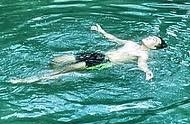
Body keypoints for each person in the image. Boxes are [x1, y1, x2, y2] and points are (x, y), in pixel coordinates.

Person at [10, 23, 167, 83]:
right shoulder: (131, 43)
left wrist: (147, 72)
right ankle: (51, 73)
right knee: (57, 60)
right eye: (152, 36)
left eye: (154, 41)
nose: (150, 38)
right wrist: (101, 31)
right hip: (97, 54)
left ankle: (31, 80)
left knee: (65, 70)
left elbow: (142, 64)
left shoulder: (144, 54)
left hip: (104, 63)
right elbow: (114, 39)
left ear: (154, 48)